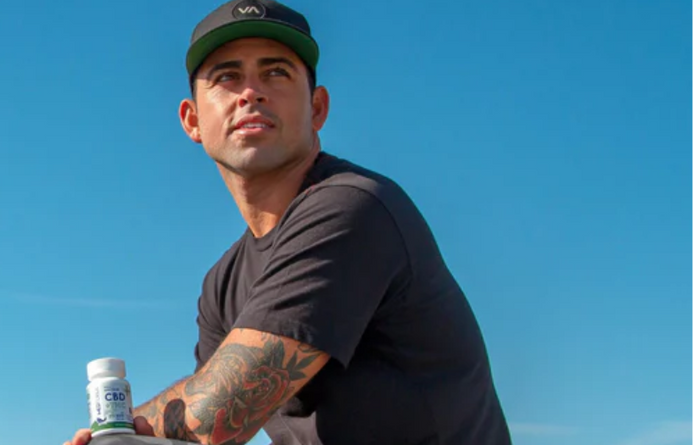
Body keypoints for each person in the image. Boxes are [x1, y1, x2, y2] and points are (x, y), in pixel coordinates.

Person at [66, 0, 512, 444]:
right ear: (193, 120)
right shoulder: (222, 284)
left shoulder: (351, 208)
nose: (251, 93)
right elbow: (193, 435)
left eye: (276, 73)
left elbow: (216, 414)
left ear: (317, 108)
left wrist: (117, 432)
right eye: (226, 77)